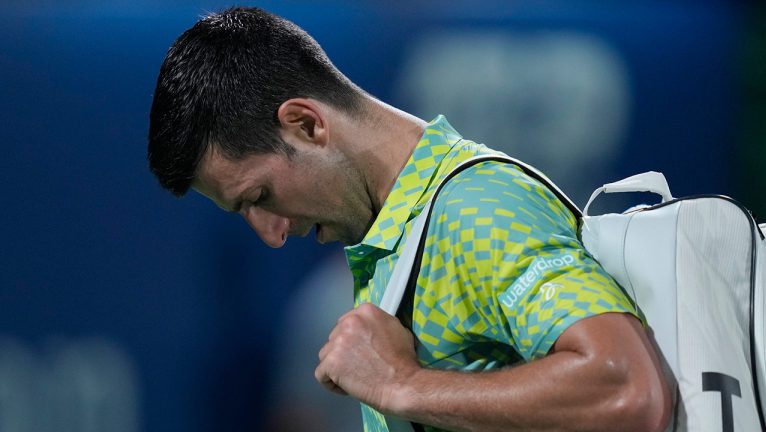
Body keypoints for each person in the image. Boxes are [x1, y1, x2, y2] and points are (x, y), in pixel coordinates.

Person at [147, 7, 673, 432]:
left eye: (259, 196)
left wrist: (401, 383)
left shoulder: (474, 210)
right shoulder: (399, 232)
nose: (273, 233)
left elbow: (629, 390)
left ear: (306, 125)